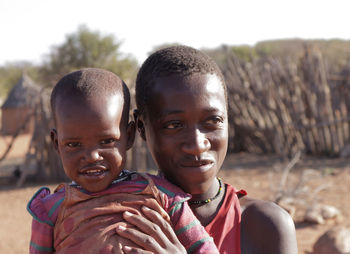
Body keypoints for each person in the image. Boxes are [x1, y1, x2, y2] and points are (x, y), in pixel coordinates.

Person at [115, 46, 298, 254]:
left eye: (213, 120)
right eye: (174, 125)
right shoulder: (123, 223)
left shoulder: (264, 226)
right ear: (141, 128)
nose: (197, 144)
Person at [27, 68, 219, 254]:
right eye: (74, 144)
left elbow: (204, 248)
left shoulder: (162, 195)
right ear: (56, 143)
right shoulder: (51, 211)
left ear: (129, 136)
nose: (92, 156)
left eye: (107, 141)